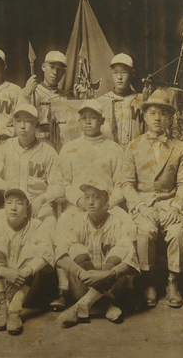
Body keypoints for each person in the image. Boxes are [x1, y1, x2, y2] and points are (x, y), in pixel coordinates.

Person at [52, 99, 126, 311]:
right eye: (84, 118)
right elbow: (64, 183)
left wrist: (107, 204)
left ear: (102, 120)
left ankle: (124, 288)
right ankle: (64, 289)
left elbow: (121, 183)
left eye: (93, 117)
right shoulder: (69, 149)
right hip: (79, 207)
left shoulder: (114, 149)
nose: (88, 122)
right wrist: (80, 202)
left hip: (108, 207)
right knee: (63, 228)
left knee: (128, 229)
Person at [122, 89, 183, 308]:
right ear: (145, 116)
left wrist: (177, 206)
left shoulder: (180, 147)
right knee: (144, 231)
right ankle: (149, 281)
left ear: (169, 117)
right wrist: (141, 206)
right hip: (143, 204)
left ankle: (173, 282)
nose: (158, 118)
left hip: (169, 203)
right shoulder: (133, 147)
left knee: (178, 231)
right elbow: (125, 184)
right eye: (152, 113)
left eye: (163, 113)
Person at [0, 188, 54, 335]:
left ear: (27, 209)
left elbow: (47, 255)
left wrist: (20, 273)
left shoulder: (36, 225)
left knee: (34, 250)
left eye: (19, 203)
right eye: (9, 203)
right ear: (4, 207)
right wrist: (4, 272)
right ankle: (1, 306)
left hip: (24, 291)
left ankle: (14, 310)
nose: (13, 207)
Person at [55, 180, 139, 327]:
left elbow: (131, 259)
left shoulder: (117, 222)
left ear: (107, 202)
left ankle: (80, 306)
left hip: (113, 285)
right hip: (82, 284)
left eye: (96, 197)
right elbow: (60, 254)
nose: (91, 202)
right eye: (87, 197)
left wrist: (108, 274)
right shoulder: (77, 222)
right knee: (75, 248)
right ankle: (109, 303)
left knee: (120, 249)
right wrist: (82, 274)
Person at [0, 103, 63, 223]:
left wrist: (42, 198)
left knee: (48, 231)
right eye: (18, 121)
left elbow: (59, 186)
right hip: (10, 206)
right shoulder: (4, 148)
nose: (22, 126)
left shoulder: (48, 151)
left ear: (37, 124)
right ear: (13, 123)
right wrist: (8, 187)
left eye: (28, 121)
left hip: (39, 206)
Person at [97, 53, 144, 150]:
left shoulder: (142, 100)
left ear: (133, 73)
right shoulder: (101, 101)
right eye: (115, 72)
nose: (119, 77)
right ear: (111, 73)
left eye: (124, 72)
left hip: (135, 155)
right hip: (108, 155)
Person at [21, 50, 72, 130]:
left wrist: (79, 100)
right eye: (52, 67)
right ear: (43, 67)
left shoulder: (67, 97)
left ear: (64, 72)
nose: (55, 72)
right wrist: (26, 94)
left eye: (59, 69)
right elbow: (20, 118)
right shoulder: (30, 91)